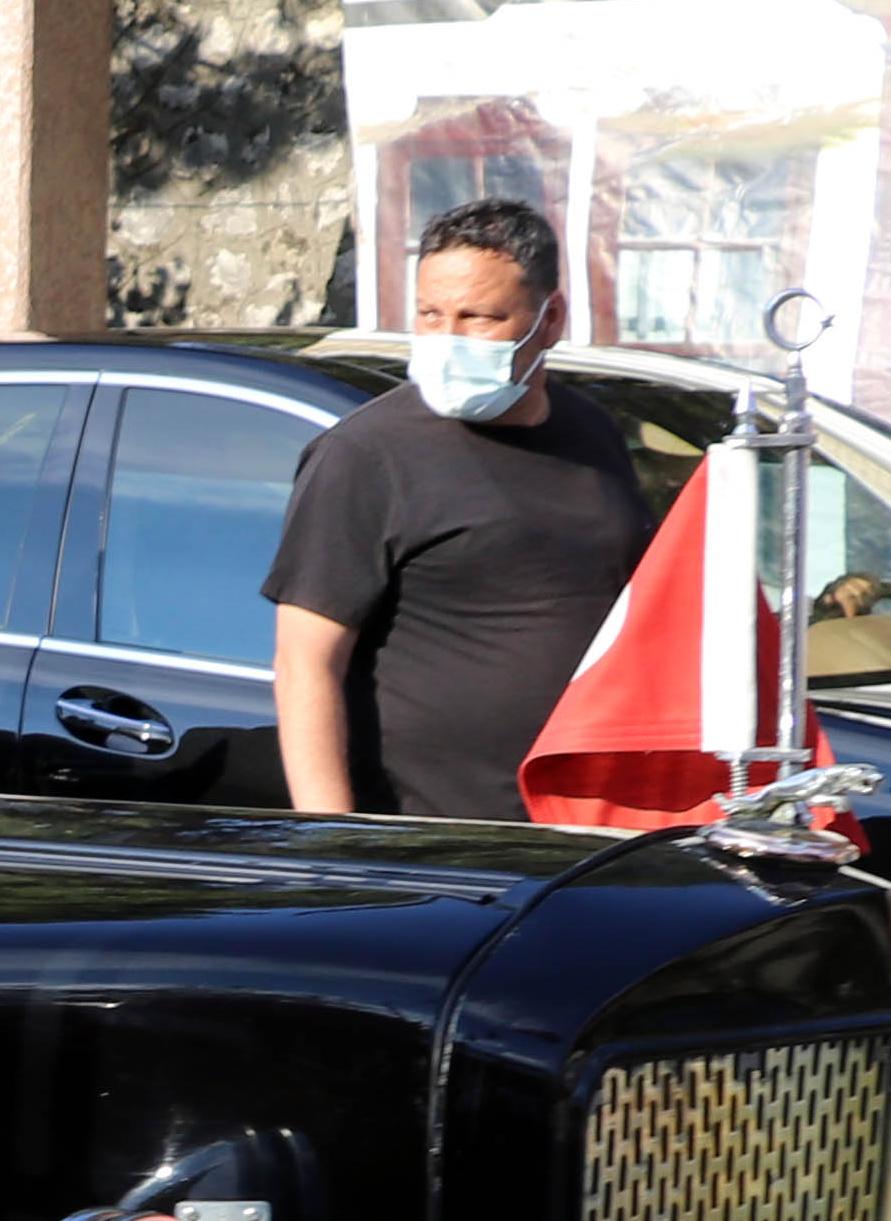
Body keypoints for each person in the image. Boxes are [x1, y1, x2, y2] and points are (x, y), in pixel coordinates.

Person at [264, 197, 659, 819]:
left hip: (587, 828)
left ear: (550, 319)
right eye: (430, 314)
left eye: (478, 317)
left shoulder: (594, 434)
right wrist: (335, 844)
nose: (448, 339)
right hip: (441, 843)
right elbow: (304, 665)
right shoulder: (365, 455)